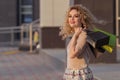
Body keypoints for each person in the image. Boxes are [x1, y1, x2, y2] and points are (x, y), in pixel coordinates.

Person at [59, 5, 98, 80]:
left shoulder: (83, 35)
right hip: (71, 74)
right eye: (70, 16)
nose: (72, 19)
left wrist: (75, 36)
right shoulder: (76, 35)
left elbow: (72, 54)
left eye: (76, 16)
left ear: (82, 19)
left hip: (79, 76)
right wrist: (75, 35)